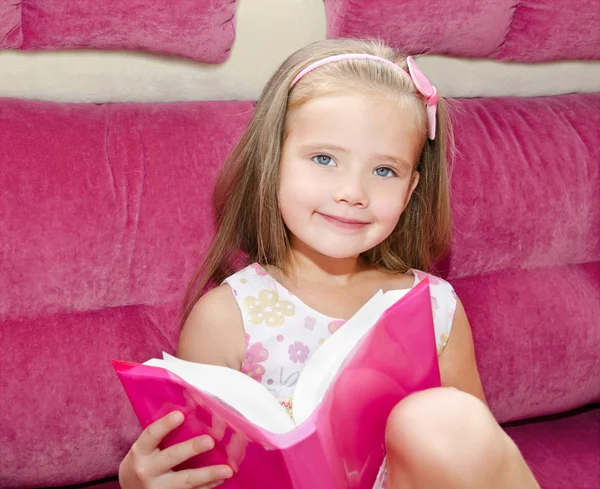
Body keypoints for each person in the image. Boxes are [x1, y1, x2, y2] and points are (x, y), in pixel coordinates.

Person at [118, 38, 540, 489]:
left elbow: (477, 457)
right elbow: (204, 467)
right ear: (273, 162)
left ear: (412, 187)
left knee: (438, 418)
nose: (353, 192)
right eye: (324, 159)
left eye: (384, 171)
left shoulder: (435, 306)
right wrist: (139, 482)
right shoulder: (226, 317)